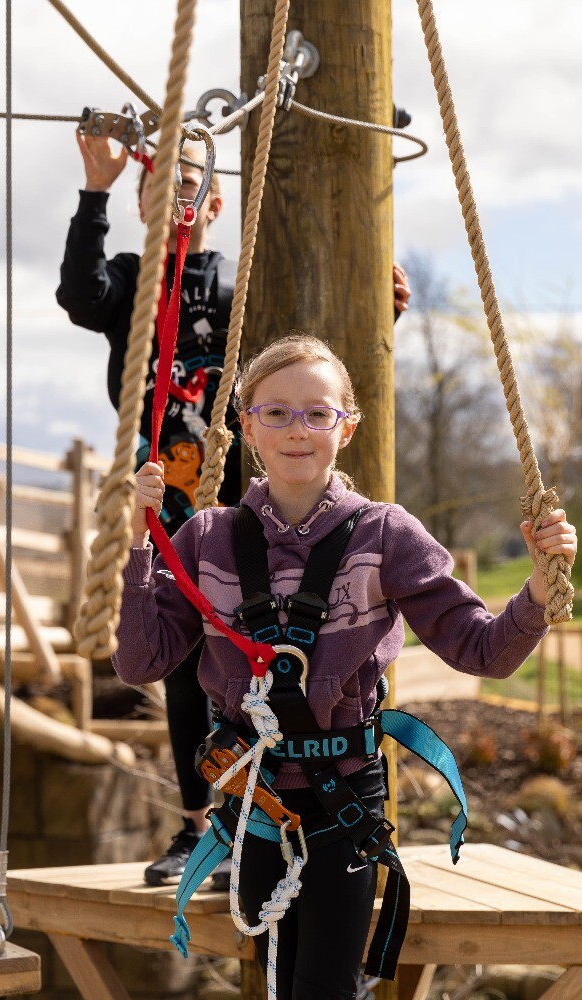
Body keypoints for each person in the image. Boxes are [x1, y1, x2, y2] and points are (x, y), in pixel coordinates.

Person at [113, 332, 577, 999]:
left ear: (347, 426)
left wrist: (537, 588)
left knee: (323, 986)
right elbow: (141, 659)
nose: (295, 429)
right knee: (276, 978)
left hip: (344, 805)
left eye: (316, 412)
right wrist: (136, 545)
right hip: (255, 805)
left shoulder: (386, 538)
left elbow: (483, 652)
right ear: (246, 427)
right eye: (275, 412)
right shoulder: (208, 539)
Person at [56, 130, 413, 890]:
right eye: (158, 189)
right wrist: (96, 190)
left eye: (189, 187)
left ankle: (308, 809)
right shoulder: (131, 279)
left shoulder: (238, 284)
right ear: (142, 204)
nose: (175, 199)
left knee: (281, 654)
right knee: (183, 664)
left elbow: (303, 361)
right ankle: (200, 827)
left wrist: (368, 298)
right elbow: (80, 297)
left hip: (237, 507)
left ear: (216, 201)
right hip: (168, 502)